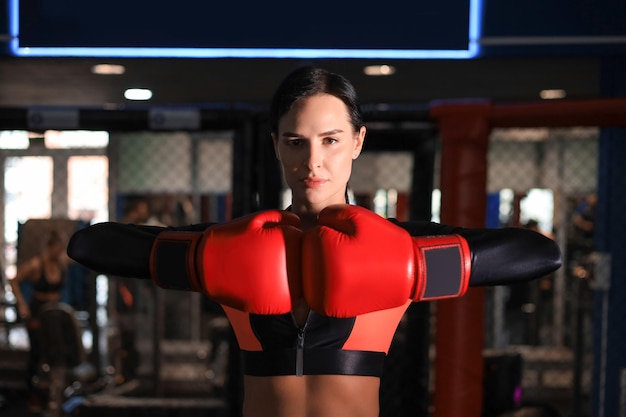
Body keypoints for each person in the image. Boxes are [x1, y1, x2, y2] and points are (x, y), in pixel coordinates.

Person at [67, 66, 562, 417]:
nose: (313, 162)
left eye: (330, 139)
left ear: (357, 142)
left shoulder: (403, 244)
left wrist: (412, 265)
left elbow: (541, 253)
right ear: (276, 144)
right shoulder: (225, 244)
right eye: (295, 141)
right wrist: (200, 257)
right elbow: (90, 246)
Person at [10, 229, 73, 411]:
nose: (59, 252)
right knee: (36, 353)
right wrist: (22, 304)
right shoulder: (37, 265)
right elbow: (14, 281)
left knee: (56, 352)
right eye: (57, 249)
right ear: (50, 247)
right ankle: (32, 395)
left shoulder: (61, 263)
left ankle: (54, 393)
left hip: (55, 312)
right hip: (38, 311)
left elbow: (75, 259)